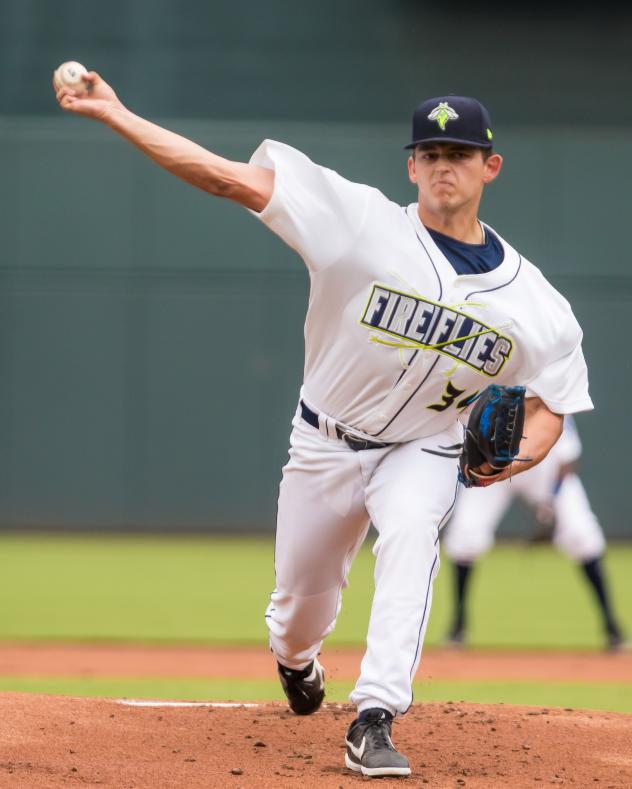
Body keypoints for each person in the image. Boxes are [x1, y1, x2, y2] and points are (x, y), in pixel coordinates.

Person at [54, 76, 593, 778]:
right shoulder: (358, 221)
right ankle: (296, 660)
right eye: (428, 151)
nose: (442, 165)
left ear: (490, 166)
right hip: (324, 440)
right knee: (297, 609)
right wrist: (118, 114)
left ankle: (374, 717)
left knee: (411, 539)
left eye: (458, 152)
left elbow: (555, 401)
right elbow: (224, 179)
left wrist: (514, 458)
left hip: (424, 448)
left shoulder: (536, 304)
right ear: (410, 165)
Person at [442, 416, 626, 651]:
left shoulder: (546, 384)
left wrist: (551, 503)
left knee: (582, 533)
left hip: (542, 464)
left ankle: (612, 627)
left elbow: (567, 456)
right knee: (465, 536)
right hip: (493, 464)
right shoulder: (485, 383)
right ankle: (458, 627)